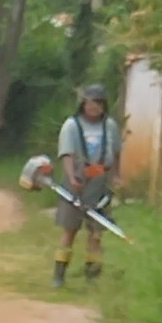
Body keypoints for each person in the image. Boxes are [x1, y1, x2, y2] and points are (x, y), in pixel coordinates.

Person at [49, 81, 120, 285]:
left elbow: (116, 152)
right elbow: (67, 154)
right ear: (83, 104)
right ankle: (59, 275)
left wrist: (116, 176)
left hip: (100, 183)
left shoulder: (110, 126)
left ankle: (93, 276)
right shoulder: (71, 125)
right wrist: (71, 178)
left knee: (96, 232)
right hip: (76, 182)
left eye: (99, 102)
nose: (94, 107)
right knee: (69, 230)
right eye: (90, 102)